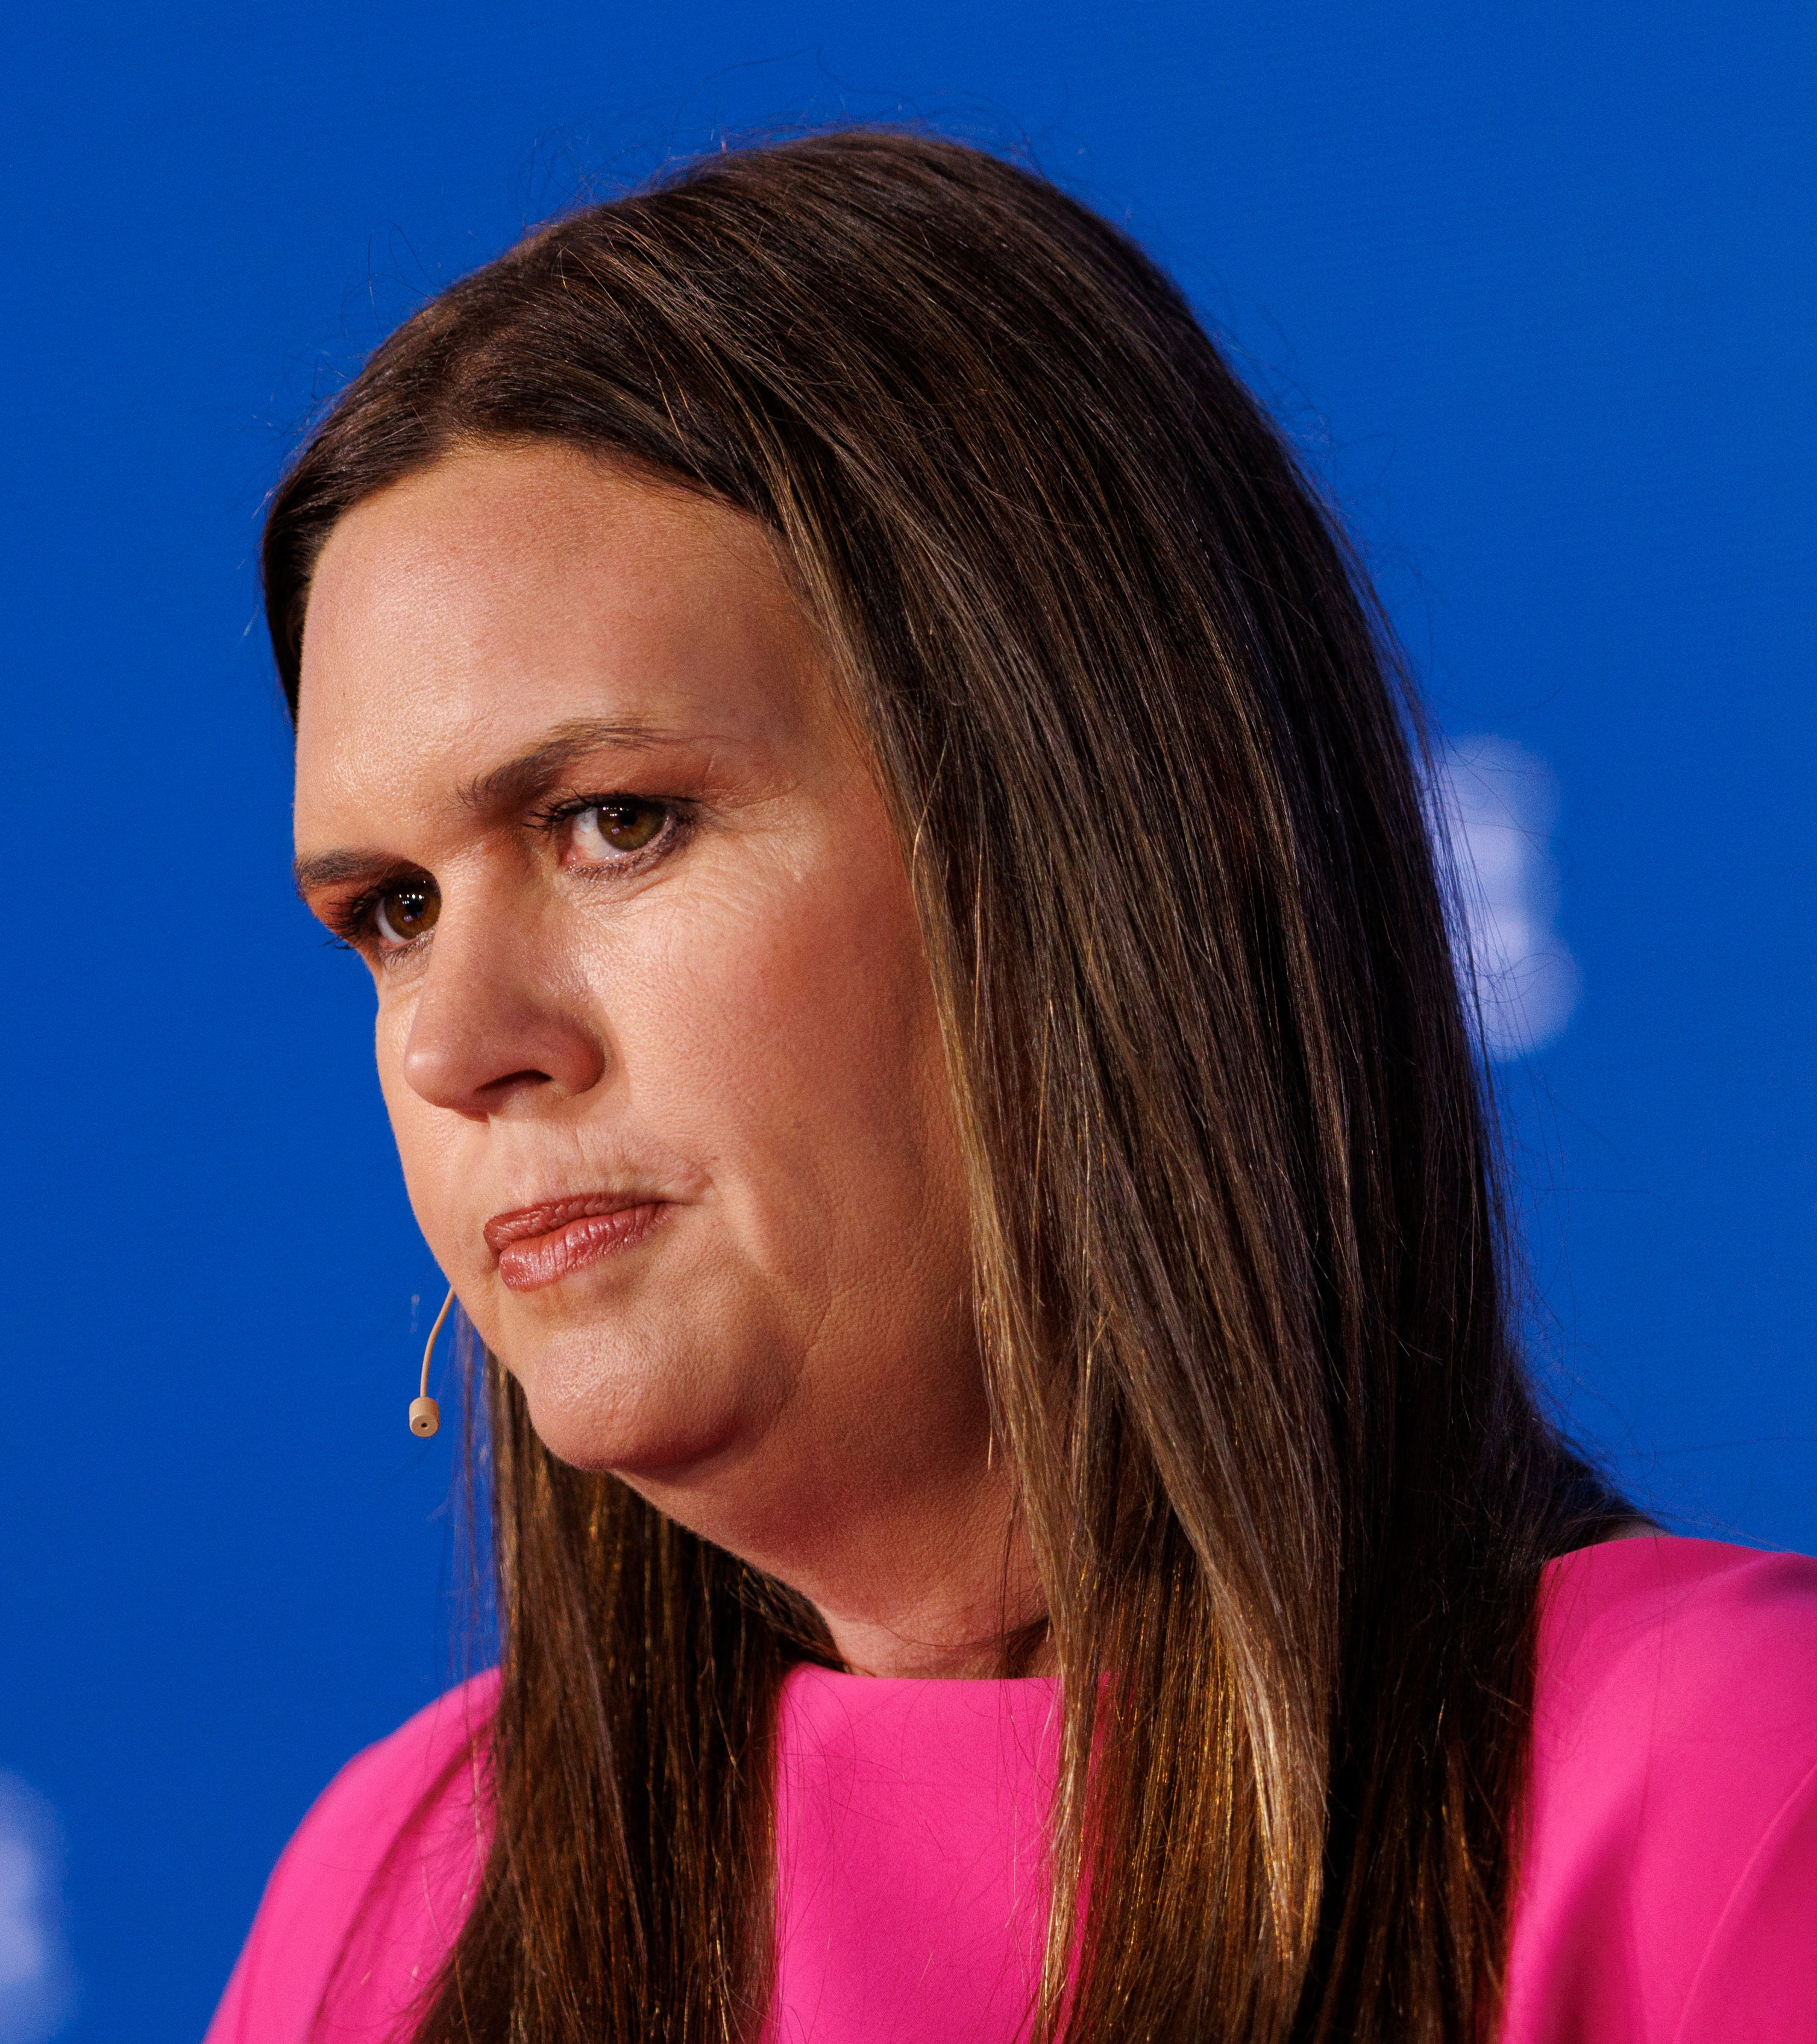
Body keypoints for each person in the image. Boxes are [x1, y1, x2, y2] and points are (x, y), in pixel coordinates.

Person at [208, 130, 1817, 2044]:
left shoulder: (1725, 1805)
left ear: (1123, 817)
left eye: (614, 823)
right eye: (389, 911)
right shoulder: (400, 1894)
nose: (457, 1045)